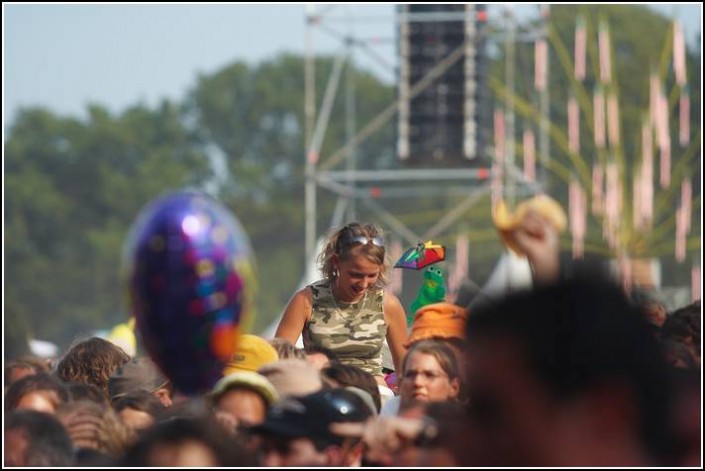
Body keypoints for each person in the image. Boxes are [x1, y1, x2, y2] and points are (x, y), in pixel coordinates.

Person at [276, 222, 408, 384]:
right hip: (321, 388)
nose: (364, 284)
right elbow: (278, 360)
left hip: (373, 391)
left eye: (372, 275)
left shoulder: (388, 305)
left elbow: (405, 371)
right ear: (336, 262)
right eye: (356, 274)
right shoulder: (306, 300)